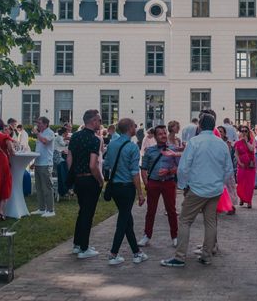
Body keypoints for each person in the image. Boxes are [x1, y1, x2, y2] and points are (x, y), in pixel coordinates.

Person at [161, 113, 234, 267]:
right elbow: (228, 169)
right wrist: (220, 183)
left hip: (197, 188)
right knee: (210, 222)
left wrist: (183, 185)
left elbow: (184, 167)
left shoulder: (194, 142)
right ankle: (207, 255)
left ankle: (180, 257)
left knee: (185, 221)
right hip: (215, 189)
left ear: (200, 126)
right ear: (213, 126)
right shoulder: (221, 143)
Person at [104, 118, 148, 266]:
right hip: (127, 187)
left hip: (115, 186)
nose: (136, 127)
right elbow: (135, 172)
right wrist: (140, 193)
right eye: (134, 126)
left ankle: (137, 252)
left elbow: (108, 165)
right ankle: (113, 253)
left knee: (127, 219)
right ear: (130, 128)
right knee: (123, 220)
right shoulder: (132, 147)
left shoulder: (111, 145)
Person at [68, 109, 104, 259]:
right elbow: (93, 165)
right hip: (90, 179)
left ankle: (77, 244)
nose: (100, 123)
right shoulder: (95, 140)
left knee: (82, 211)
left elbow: (69, 158)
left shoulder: (75, 136)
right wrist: (101, 180)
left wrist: (73, 174)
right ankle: (84, 247)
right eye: (99, 120)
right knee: (87, 214)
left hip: (78, 178)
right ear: (93, 121)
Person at [138, 125, 179, 248]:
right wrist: (147, 184)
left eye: (164, 133)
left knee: (171, 210)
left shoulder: (173, 149)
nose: (163, 135)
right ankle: (147, 235)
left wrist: (169, 172)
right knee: (151, 211)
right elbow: (143, 169)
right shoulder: (149, 151)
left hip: (168, 182)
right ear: (155, 137)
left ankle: (175, 236)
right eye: (160, 134)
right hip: (154, 183)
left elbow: (178, 167)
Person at [31, 117, 56, 217]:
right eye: (37, 123)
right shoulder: (41, 134)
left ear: (46, 124)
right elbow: (40, 150)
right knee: (39, 187)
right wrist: (34, 162)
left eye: (40, 123)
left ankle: (50, 210)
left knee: (47, 188)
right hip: (38, 163)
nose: (38, 125)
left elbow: (45, 142)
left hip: (46, 164)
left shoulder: (50, 132)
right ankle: (41, 208)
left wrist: (37, 133)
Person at [235, 125, 256, 208]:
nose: (243, 132)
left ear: (248, 132)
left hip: (250, 166)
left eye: (245, 131)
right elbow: (236, 154)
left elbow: (251, 149)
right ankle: (242, 198)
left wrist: (246, 141)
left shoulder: (252, 141)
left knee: (249, 185)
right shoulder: (238, 142)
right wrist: (239, 162)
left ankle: (249, 201)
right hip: (241, 166)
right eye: (242, 131)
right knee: (241, 183)